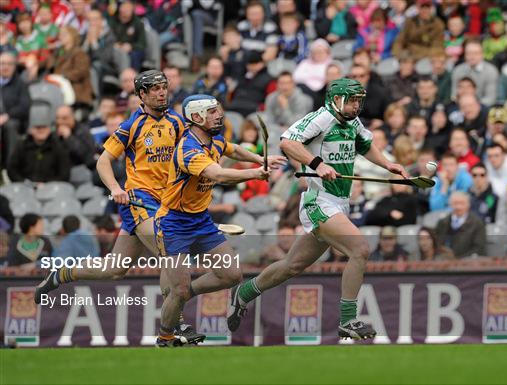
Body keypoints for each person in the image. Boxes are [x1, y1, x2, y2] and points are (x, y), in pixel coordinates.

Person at [227, 78, 407, 340]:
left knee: (291, 265)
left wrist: (388, 165)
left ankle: (244, 293)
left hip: (339, 203)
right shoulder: (321, 118)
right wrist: (318, 164)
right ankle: (348, 320)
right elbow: (288, 142)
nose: (357, 105)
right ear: (336, 99)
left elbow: (367, 146)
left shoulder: (353, 123)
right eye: (352, 100)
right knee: (360, 249)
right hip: (319, 200)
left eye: (359, 100)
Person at [33, 70, 202, 344]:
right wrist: (115, 188)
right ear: (142, 95)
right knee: (169, 251)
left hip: (167, 203)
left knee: (114, 268)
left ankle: (61, 273)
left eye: (164, 87)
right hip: (139, 201)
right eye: (154, 89)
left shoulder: (178, 123)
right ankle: (175, 325)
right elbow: (103, 162)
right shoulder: (131, 126)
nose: (162, 92)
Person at [155, 94, 286, 346]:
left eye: (218, 110)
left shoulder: (213, 140)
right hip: (174, 224)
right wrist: (256, 174)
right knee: (179, 289)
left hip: (201, 221)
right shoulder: (188, 149)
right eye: (212, 111)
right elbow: (219, 175)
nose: (219, 115)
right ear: (196, 117)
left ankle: (183, 294)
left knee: (231, 274)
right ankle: (166, 336)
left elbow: (233, 149)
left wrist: (260, 158)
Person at [7, 103, 70, 182]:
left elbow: (64, 173)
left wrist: (47, 185)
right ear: (30, 129)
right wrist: (24, 182)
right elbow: (12, 170)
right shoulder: (21, 145)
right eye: (37, 127)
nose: (41, 130)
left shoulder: (58, 146)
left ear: (50, 128)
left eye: (44, 127)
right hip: (25, 188)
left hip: (52, 190)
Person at [0, 51, 31, 168]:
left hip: (13, 120)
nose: (5, 67)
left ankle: (10, 167)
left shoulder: (20, 84)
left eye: (9, 64)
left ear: (14, 67)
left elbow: (25, 106)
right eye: (2, 63)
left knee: (10, 126)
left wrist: (7, 116)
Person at [435, 191, 486, 258]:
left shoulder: (477, 223)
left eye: (462, 203)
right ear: (450, 204)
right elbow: (437, 244)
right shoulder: (442, 222)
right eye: (455, 203)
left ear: (468, 205)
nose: (458, 207)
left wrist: (458, 260)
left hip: (466, 264)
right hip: (444, 262)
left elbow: (478, 248)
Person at [451, 39, 499, 107]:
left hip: (482, 108)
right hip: (460, 106)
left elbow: (490, 98)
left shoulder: (491, 71)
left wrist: (472, 106)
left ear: (482, 54)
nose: (472, 56)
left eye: (475, 53)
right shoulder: (458, 70)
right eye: (469, 53)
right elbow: (454, 95)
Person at [109, 0, 146, 71]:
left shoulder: (138, 23)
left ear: (132, 9)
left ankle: (132, 77)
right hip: (116, 49)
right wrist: (115, 44)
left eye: (128, 7)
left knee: (134, 55)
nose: (125, 10)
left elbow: (142, 44)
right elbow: (108, 38)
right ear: (119, 8)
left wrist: (131, 46)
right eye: (124, 7)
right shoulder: (112, 21)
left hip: (133, 50)